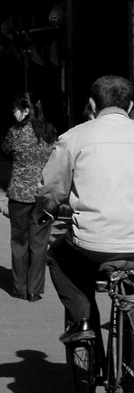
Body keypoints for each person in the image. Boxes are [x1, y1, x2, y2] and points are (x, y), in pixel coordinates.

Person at [36, 75, 134, 343]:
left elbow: (50, 189)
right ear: (130, 105)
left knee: (57, 256)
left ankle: (83, 320)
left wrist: (47, 209)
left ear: (92, 104)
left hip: (94, 245)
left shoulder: (75, 137)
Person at [1, 92, 56, 301]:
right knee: (39, 243)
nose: (13, 114)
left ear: (25, 111)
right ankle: (34, 290)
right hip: (43, 195)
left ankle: (19, 286)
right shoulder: (50, 132)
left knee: (19, 241)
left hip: (19, 194)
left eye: (15, 110)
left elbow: (5, 152)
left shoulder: (15, 132)